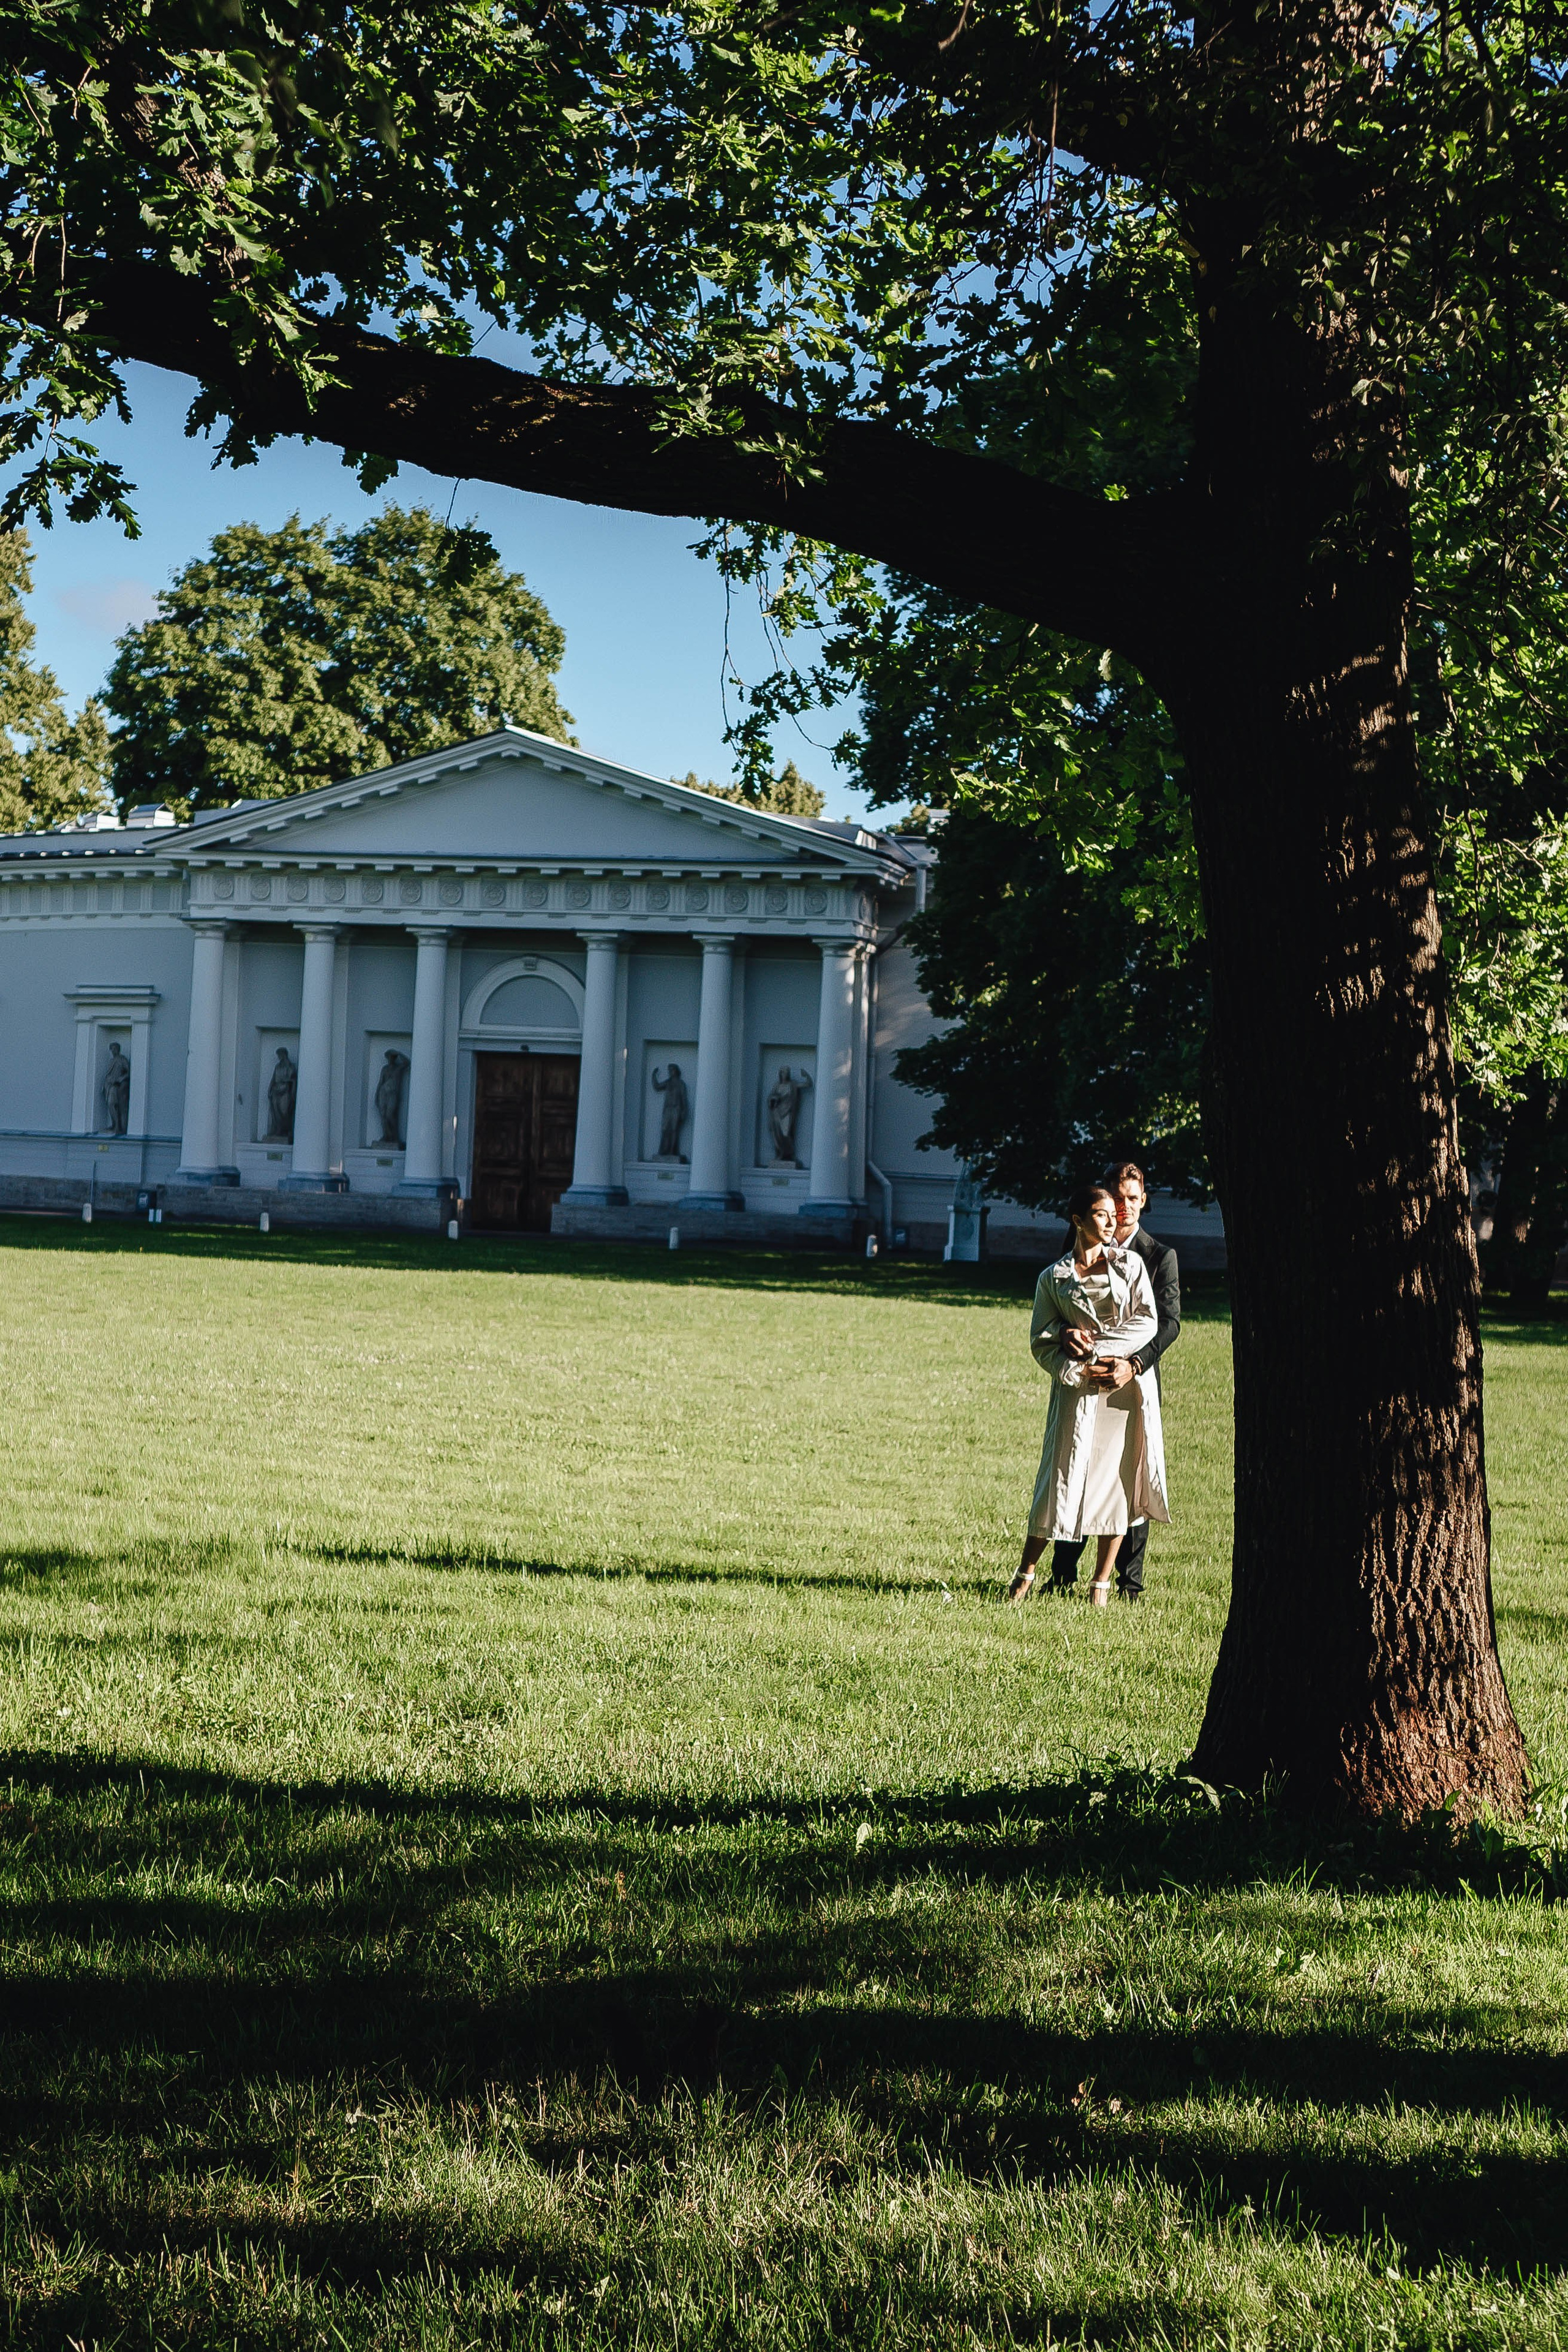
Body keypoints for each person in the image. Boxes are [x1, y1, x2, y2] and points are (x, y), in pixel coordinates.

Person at [1006, 1180, 1170, 1608]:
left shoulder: (1131, 1266)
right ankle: (1025, 1574)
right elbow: (1041, 1338)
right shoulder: (1053, 1277)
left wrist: (1107, 1355)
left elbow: (1147, 1323)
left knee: (1115, 1483)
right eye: (1102, 1215)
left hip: (1122, 1389)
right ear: (1078, 1220)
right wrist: (1067, 1346)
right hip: (1077, 1391)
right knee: (1058, 1480)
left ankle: (1100, 1586)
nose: (1112, 1221)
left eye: (1114, 1216)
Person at [1049, 1160, 1180, 1599]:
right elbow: (1058, 1303)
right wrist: (1064, 1334)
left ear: (1144, 1201)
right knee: (1079, 1466)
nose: (1122, 1208)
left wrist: (1135, 1364)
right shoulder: (1082, 1239)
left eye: (1131, 1198)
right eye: (1116, 1198)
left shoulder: (1160, 1256)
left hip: (1133, 1378)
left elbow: (1169, 1324)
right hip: (1086, 1378)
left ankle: (1129, 1581)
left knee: (1130, 1475)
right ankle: (1063, 1572)